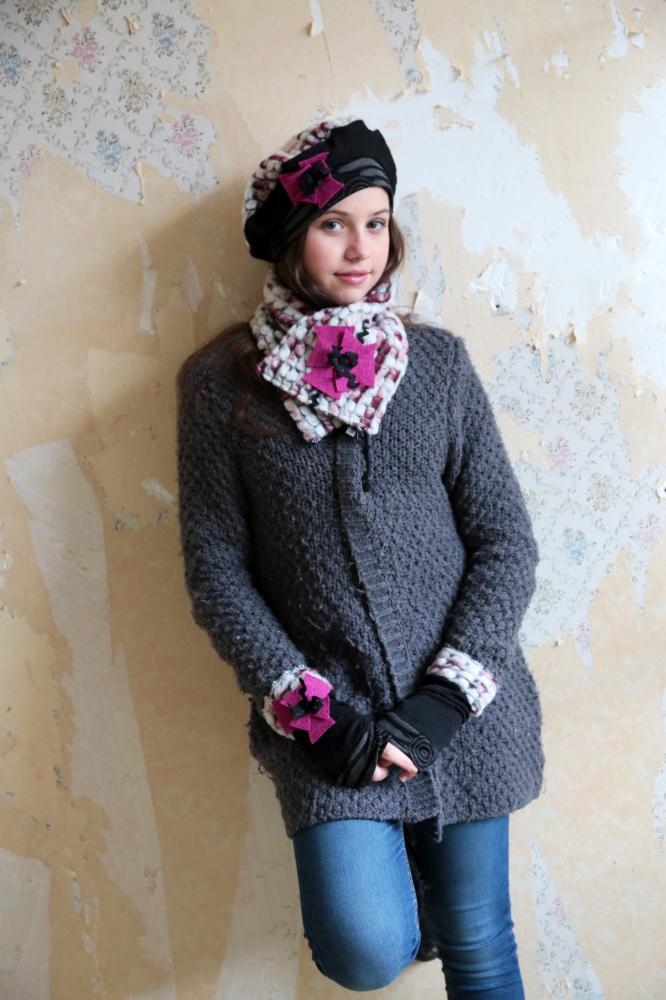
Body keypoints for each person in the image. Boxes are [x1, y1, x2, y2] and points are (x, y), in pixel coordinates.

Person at [176, 118, 544, 997]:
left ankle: (439, 877)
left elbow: (505, 542)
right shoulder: (221, 387)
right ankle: (407, 879)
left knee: (480, 941)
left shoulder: (438, 367)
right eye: (332, 223)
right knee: (364, 950)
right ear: (288, 236)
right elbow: (217, 573)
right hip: (328, 726)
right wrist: (313, 717)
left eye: (375, 223)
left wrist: (447, 698)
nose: (359, 248)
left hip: (462, 710)